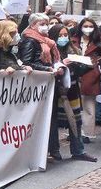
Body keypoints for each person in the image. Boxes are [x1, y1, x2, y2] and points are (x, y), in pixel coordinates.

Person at [18, 13, 67, 161]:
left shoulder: (47, 42)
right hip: (36, 86)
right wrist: (48, 69)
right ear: (33, 25)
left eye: (47, 23)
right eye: (42, 23)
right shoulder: (29, 41)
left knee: (50, 117)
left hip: (48, 84)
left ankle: (53, 149)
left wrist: (55, 66)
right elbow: (27, 62)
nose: (45, 26)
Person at [49, 25, 97, 162]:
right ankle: (54, 151)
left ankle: (78, 150)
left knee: (75, 120)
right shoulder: (49, 51)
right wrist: (60, 64)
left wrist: (85, 66)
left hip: (72, 90)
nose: (63, 38)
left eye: (65, 35)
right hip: (56, 91)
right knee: (53, 122)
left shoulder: (74, 50)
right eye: (60, 35)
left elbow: (79, 72)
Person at [71, 18, 101, 142]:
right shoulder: (73, 40)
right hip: (75, 74)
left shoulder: (100, 42)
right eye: (85, 26)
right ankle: (74, 131)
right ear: (80, 27)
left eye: (90, 26)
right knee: (74, 105)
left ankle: (87, 133)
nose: (88, 28)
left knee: (89, 106)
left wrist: (98, 61)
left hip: (91, 75)